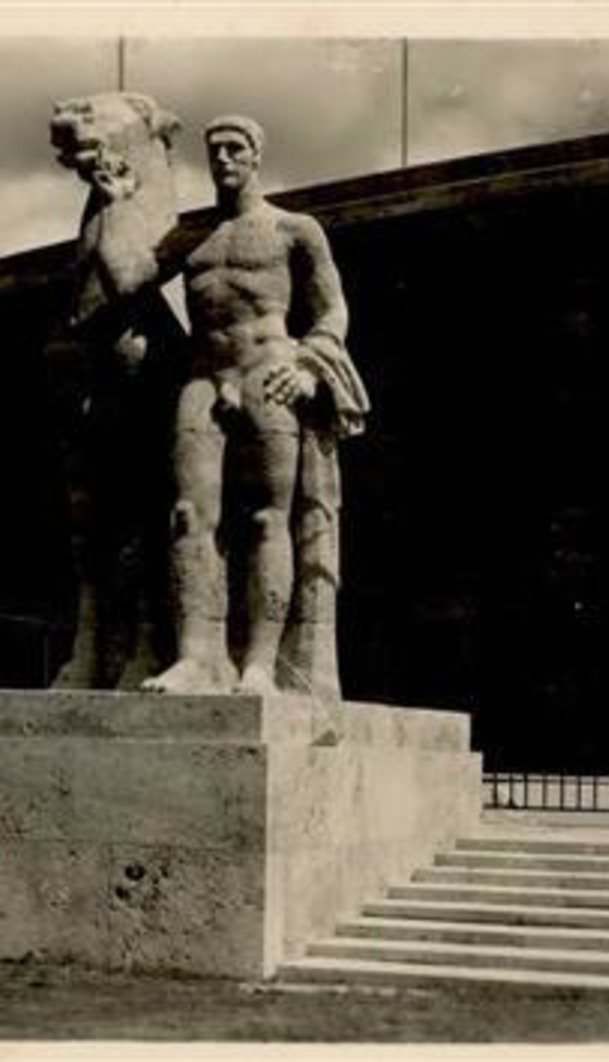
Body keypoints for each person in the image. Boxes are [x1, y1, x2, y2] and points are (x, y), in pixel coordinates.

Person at [143, 115, 368, 696]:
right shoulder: (190, 241)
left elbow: (333, 310)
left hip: (270, 375)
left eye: (234, 148)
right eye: (214, 149)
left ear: (256, 155)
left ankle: (262, 666)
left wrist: (309, 363)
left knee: (270, 519)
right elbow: (125, 284)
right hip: (204, 377)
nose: (222, 158)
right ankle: (196, 656)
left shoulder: (294, 229)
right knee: (189, 516)